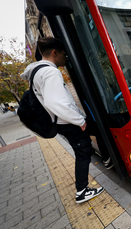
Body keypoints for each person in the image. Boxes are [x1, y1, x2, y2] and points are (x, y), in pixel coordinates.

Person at [21, 37, 108, 204]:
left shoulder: (36, 71)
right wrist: (79, 121)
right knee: (83, 152)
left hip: (62, 122)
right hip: (67, 123)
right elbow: (54, 102)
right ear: (54, 53)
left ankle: (108, 159)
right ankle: (82, 191)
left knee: (97, 131)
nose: (66, 58)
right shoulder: (50, 72)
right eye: (64, 54)